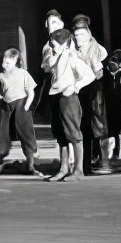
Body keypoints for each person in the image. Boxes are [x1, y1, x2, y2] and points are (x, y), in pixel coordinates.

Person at [43, 27, 93, 182]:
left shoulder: (72, 57)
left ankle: (78, 170)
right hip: (56, 96)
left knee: (74, 134)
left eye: (55, 44)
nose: (52, 46)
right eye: (51, 44)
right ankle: (64, 168)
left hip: (68, 98)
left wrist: (76, 86)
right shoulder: (54, 57)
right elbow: (47, 68)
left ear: (65, 44)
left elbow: (89, 75)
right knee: (60, 134)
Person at [0, 48, 41, 177]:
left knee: (26, 133)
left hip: (21, 104)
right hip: (7, 106)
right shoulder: (1, 76)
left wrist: (27, 105)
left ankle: (30, 164)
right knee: (3, 133)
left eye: (8, 63)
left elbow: (31, 91)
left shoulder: (23, 74)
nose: (4, 65)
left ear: (16, 62)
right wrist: (1, 98)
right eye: (4, 62)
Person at [72, 14, 111, 175]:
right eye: (76, 34)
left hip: (95, 91)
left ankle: (104, 160)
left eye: (82, 33)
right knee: (83, 126)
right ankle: (85, 163)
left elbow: (102, 74)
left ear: (89, 34)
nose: (78, 37)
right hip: (79, 92)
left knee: (99, 124)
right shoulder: (72, 49)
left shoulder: (99, 50)